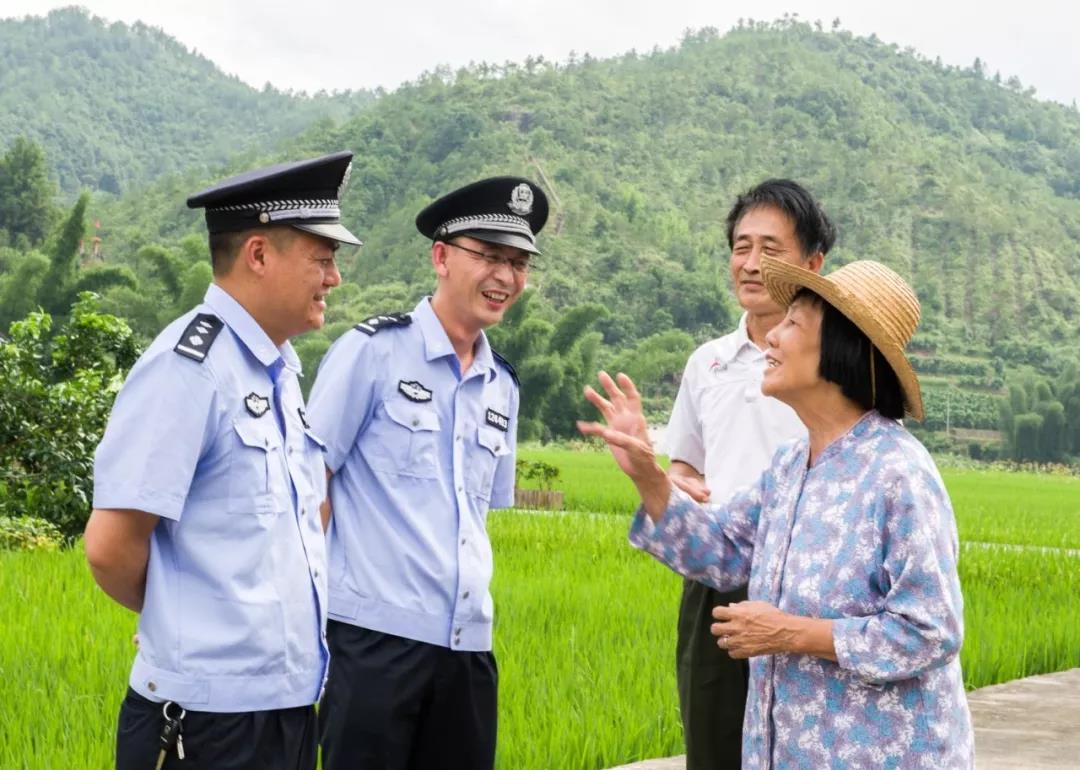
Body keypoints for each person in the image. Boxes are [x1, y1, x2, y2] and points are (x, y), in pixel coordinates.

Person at [579, 257, 974, 769]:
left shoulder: (898, 473)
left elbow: (930, 631)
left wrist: (788, 633)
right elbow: (721, 553)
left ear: (841, 348)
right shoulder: (790, 464)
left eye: (792, 324)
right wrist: (646, 473)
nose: (771, 338)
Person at [84, 151, 361, 770]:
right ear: (258, 254)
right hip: (206, 725)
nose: (334, 277)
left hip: (286, 708)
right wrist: (179, 616)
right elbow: (110, 546)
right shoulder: (189, 369)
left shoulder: (280, 370)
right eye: (323, 257)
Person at [308, 176, 547, 770]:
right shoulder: (373, 351)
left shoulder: (503, 387)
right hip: (371, 643)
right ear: (441, 257)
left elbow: (477, 513)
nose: (505, 277)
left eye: (518, 263)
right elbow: (310, 486)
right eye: (489, 255)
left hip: (468, 647)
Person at [665, 179, 834, 769]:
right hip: (719, 580)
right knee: (714, 746)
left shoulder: (832, 368)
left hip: (809, 587)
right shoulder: (706, 363)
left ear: (813, 264)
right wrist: (677, 483)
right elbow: (684, 462)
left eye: (772, 248)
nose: (752, 264)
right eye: (741, 246)